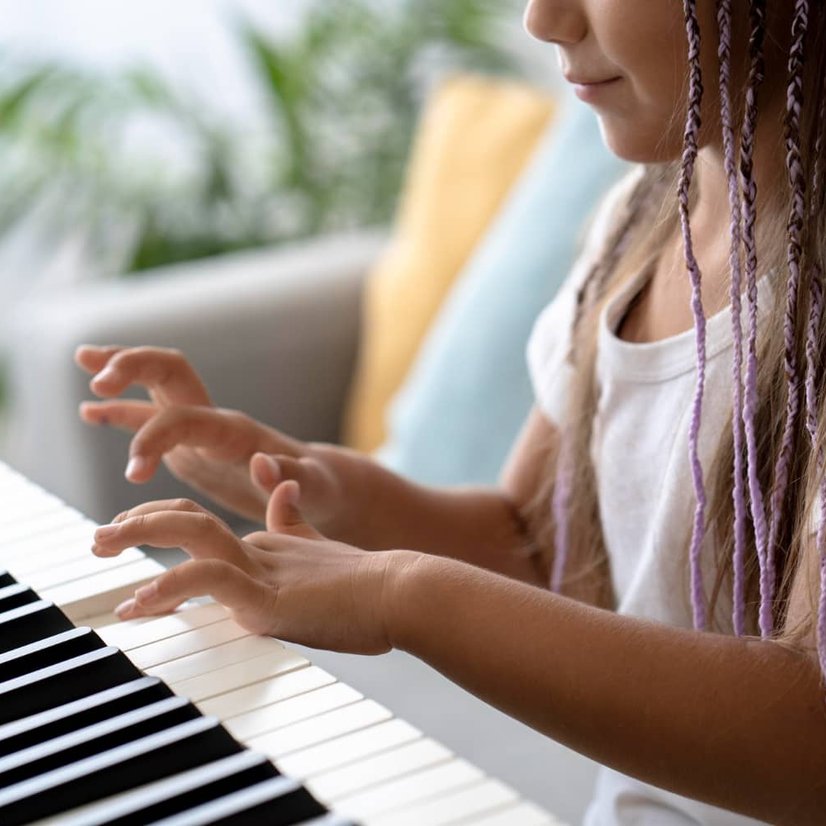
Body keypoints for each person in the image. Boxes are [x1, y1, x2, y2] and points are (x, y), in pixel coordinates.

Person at [74, 1, 826, 823]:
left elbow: (809, 732)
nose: (543, 19)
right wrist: (318, 483)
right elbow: (540, 545)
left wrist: (400, 595)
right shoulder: (637, 228)